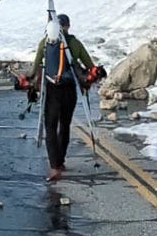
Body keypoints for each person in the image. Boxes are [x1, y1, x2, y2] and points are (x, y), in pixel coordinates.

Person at [28, 13, 103, 182]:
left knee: (50, 126)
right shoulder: (75, 43)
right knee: (65, 124)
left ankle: (55, 166)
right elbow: (90, 66)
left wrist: (31, 81)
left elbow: (35, 68)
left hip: (52, 90)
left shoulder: (46, 42)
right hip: (69, 90)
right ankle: (60, 161)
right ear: (68, 26)